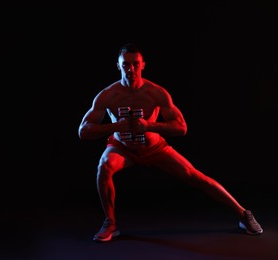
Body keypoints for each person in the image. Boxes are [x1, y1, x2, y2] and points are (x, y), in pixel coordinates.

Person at [78, 42, 263, 242]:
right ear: (118, 66)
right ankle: (110, 223)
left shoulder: (156, 93)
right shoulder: (108, 96)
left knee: (194, 175)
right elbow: (83, 131)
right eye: (126, 65)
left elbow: (181, 127)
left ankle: (244, 214)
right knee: (104, 167)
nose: (130, 69)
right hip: (122, 148)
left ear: (143, 65)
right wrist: (116, 127)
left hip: (154, 148)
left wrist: (148, 126)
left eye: (135, 64)